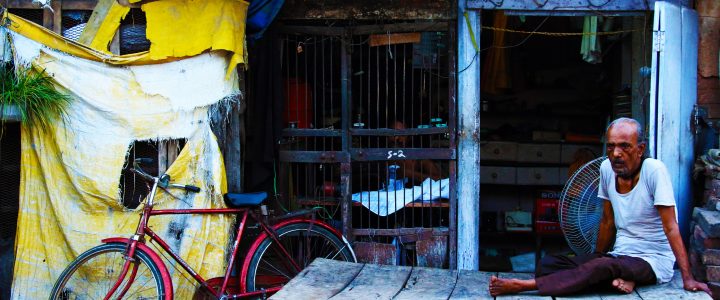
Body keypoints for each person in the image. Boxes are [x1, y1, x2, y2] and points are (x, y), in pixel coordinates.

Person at [488, 117, 711, 297]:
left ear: (640, 149)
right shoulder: (606, 169)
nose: (616, 154)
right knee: (549, 263)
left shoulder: (654, 170)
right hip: (619, 256)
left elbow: (671, 227)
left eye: (625, 146)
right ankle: (621, 282)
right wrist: (597, 256)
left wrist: (687, 277)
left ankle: (524, 286)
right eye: (611, 146)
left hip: (652, 260)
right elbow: (606, 220)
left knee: (601, 268)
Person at [389, 120, 441, 185]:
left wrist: (410, 174)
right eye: (393, 133)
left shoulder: (417, 156)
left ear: (408, 137)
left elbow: (439, 179)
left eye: (401, 134)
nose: (397, 138)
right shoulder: (380, 155)